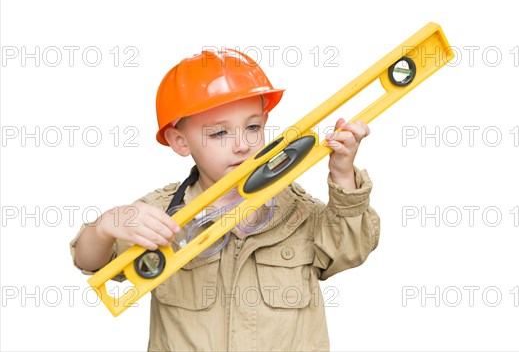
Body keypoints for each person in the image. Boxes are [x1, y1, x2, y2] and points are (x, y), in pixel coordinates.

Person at [70, 48, 380, 351]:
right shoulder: (160, 214)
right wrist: (104, 228)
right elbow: (92, 263)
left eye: (253, 127)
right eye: (219, 134)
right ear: (180, 141)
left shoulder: (295, 210)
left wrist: (342, 175)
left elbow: (351, 249)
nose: (243, 145)